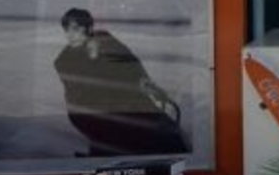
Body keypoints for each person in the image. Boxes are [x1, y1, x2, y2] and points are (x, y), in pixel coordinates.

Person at [54, 8, 189, 158]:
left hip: (129, 104)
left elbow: (133, 67)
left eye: (75, 29)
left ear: (89, 28)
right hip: (94, 114)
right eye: (66, 30)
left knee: (168, 135)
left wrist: (152, 89)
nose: (70, 35)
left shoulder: (106, 40)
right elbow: (82, 96)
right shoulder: (64, 61)